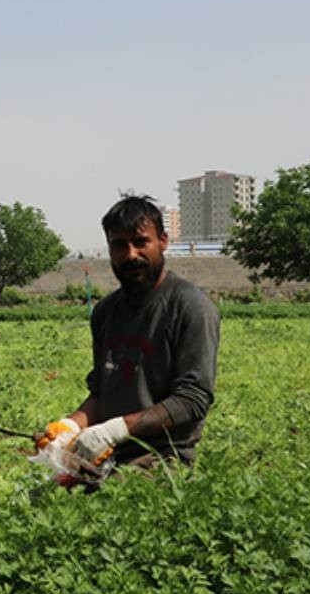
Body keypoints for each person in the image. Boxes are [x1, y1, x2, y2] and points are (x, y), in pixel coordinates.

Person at [36, 195, 219, 482]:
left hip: (163, 457)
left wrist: (114, 430)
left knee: (102, 502)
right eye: (120, 245)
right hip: (106, 455)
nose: (131, 254)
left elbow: (193, 399)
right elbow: (102, 394)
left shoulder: (189, 306)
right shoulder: (105, 312)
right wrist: (69, 427)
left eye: (140, 242)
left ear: (163, 241)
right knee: (41, 499)